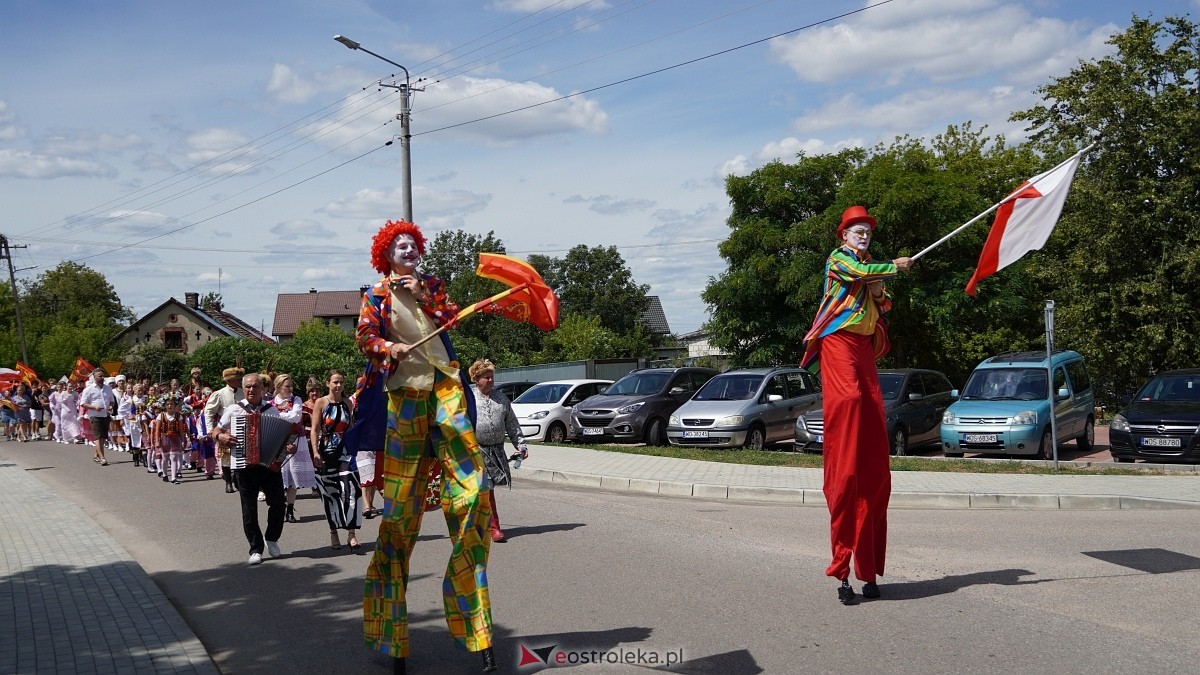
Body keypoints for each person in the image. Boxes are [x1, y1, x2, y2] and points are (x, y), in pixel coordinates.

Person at [353, 219, 496, 674]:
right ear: (385, 254)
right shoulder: (374, 295)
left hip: (445, 389)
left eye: (413, 244)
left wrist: (423, 296)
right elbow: (364, 337)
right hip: (403, 398)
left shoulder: (430, 285)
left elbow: (451, 317)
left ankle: (478, 630)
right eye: (400, 245)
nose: (409, 250)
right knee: (398, 521)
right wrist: (385, 348)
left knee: (474, 494)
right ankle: (392, 639)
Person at [801, 205, 913, 605]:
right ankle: (842, 571)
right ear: (843, 235)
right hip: (838, 341)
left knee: (871, 418)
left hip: (863, 346)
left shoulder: (869, 266)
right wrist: (893, 268)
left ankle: (867, 572)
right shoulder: (840, 259)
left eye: (866, 231)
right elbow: (861, 275)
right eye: (856, 230)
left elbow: (883, 306)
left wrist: (882, 289)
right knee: (847, 401)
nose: (862, 235)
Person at [211, 372, 293, 565]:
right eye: (247, 386)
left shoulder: (271, 411)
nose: (251, 390)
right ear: (243, 388)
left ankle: (271, 539)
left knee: (278, 504)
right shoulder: (234, 410)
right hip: (243, 465)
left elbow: (283, 439)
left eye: (255, 386)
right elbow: (216, 430)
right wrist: (220, 437)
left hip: (269, 466)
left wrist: (288, 447)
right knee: (249, 509)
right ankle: (256, 548)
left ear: (262, 389)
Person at [468, 358, 529, 543]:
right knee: (484, 489)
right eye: (486, 377)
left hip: (497, 451)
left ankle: (486, 526)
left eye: (492, 377)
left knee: (486, 490)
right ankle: (492, 528)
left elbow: (511, 423)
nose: (490, 380)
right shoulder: (468, 398)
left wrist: (520, 444)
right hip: (476, 451)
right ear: (476, 379)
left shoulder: (501, 399)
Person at [276, 374, 316, 523]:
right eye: (287, 386)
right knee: (279, 474)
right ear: (278, 387)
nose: (290, 389)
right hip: (278, 441)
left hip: (295, 440)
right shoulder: (271, 402)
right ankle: (280, 506)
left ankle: (290, 509)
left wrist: (279, 415)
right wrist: (286, 414)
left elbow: (296, 416)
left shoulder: (296, 400)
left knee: (293, 476)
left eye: (291, 385)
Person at [205, 367, 244, 494]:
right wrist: (211, 430)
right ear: (228, 380)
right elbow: (209, 412)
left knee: (242, 454)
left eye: (239, 379)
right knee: (225, 456)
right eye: (235, 379)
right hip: (225, 428)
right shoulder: (219, 394)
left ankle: (238, 479)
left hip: (242, 426)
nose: (238, 381)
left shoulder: (243, 392)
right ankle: (228, 482)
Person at [80, 369, 117, 465]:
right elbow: (83, 403)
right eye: (99, 376)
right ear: (95, 377)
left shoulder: (108, 388)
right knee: (98, 436)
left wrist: (111, 406)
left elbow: (112, 401)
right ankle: (102, 457)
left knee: (103, 437)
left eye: (102, 376)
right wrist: (94, 407)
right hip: (95, 415)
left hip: (106, 415)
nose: (102, 377)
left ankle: (96, 455)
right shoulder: (88, 389)